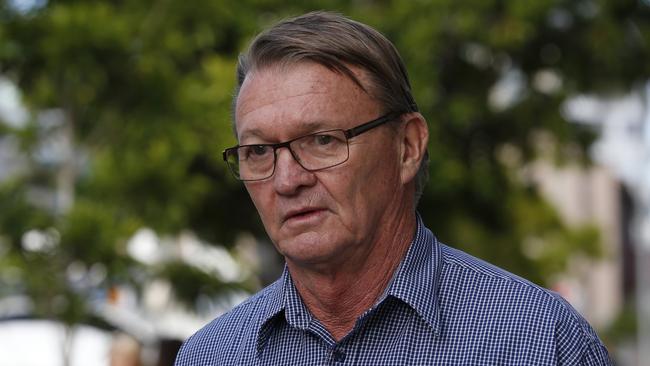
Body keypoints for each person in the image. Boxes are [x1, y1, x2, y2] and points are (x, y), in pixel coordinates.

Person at [175, 11, 612, 365]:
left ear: (408, 147)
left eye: (323, 140)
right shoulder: (211, 355)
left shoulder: (537, 342)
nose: (287, 180)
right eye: (257, 152)